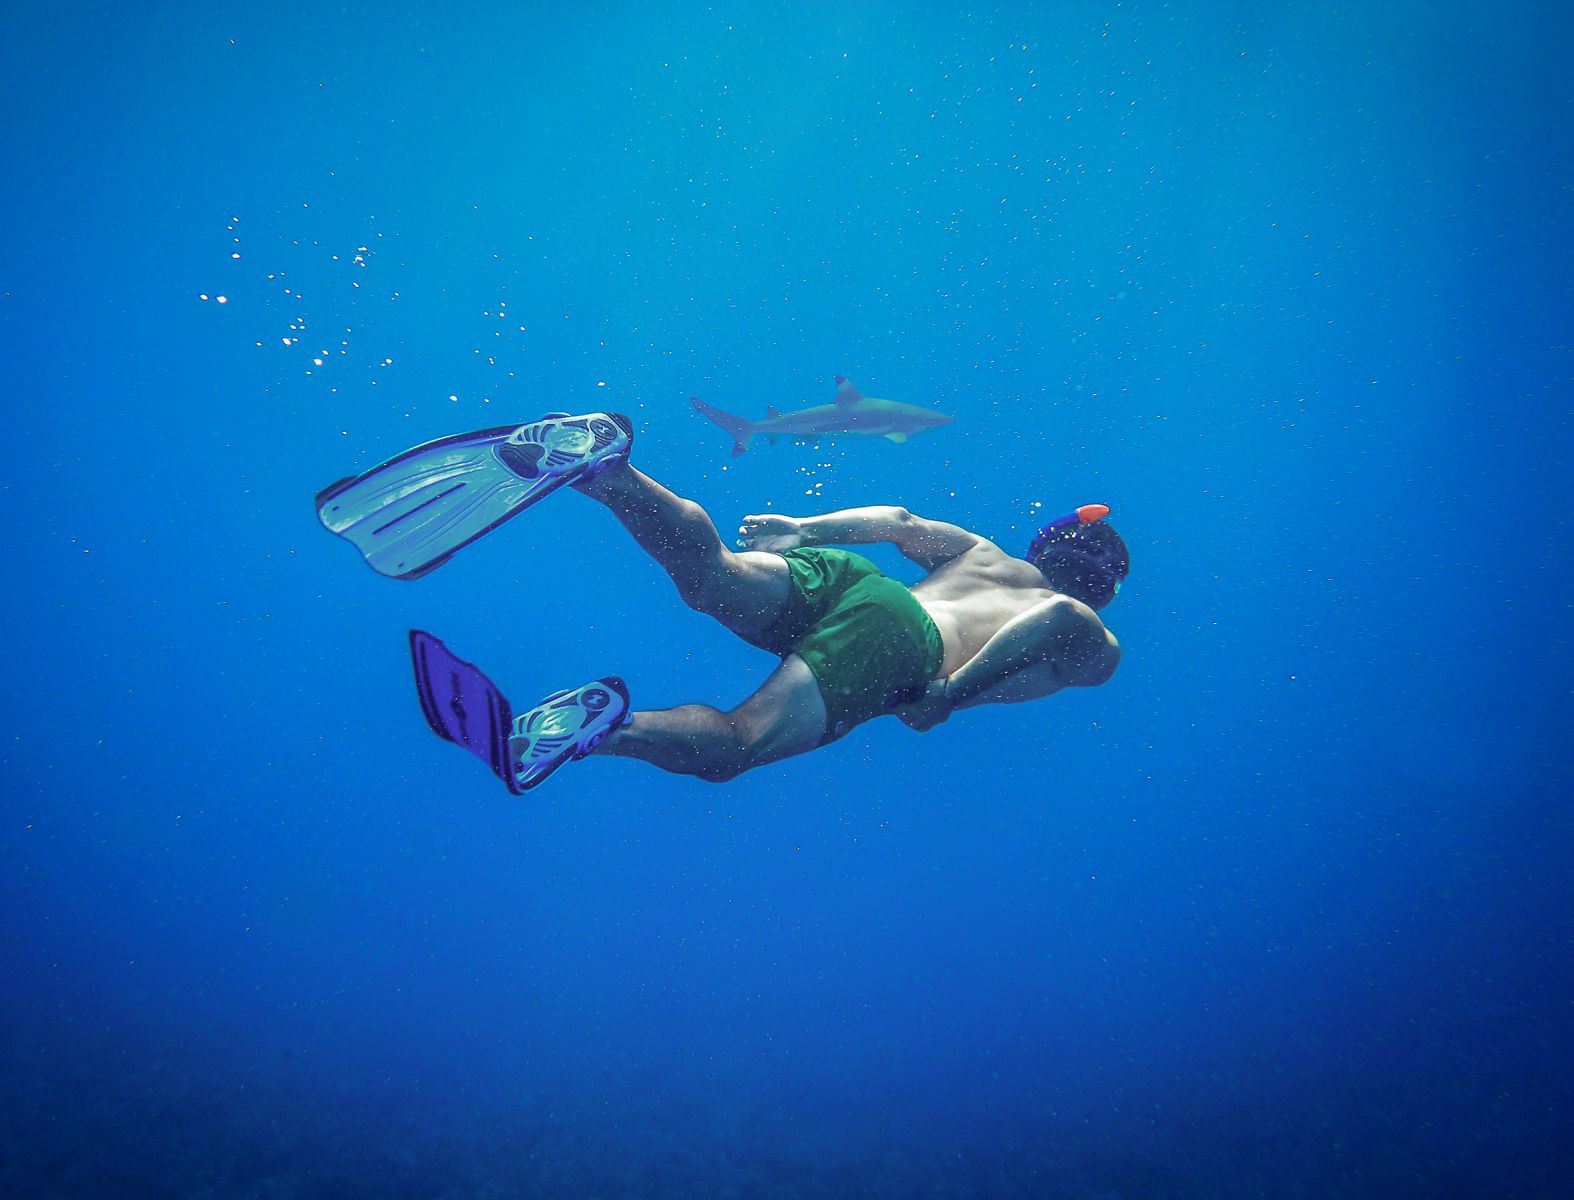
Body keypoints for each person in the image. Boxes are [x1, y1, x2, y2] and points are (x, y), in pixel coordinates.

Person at [321, 410, 1127, 792]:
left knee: (706, 578)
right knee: (738, 744)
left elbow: (899, 522)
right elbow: (1058, 620)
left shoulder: (984, 553)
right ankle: (602, 731)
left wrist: (803, 527)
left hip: (861, 584)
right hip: (903, 647)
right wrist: (954, 690)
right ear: (1106, 587)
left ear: (1044, 549)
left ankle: (606, 471)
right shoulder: (1094, 638)